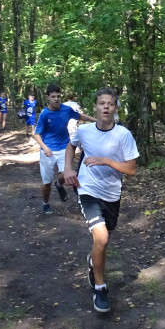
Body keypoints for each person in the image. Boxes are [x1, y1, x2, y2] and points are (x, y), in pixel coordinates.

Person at [61, 87, 139, 315]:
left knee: (104, 241)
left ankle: (92, 261)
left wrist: (106, 161)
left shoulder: (123, 135)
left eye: (111, 104)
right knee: (102, 238)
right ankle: (100, 287)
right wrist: (67, 168)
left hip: (112, 193)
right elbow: (71, 145)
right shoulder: (84, 131)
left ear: (115, 108)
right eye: (102, 103)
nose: (106, 107)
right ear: (94, 107)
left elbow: (131, 170)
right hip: (87, 189)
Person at [33, 83, 96, 215]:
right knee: (46, 183)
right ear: (47, 98)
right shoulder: (45, 114)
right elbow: (36, 134)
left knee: (65, 174)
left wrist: (96, 120)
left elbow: (79, 116)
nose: (56, 99)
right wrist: (44, 148)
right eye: (53, 96)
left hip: (64, 148)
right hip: (48, 151)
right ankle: (46, 203)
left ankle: (59, 184)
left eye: (58, 96)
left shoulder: (66, 109)